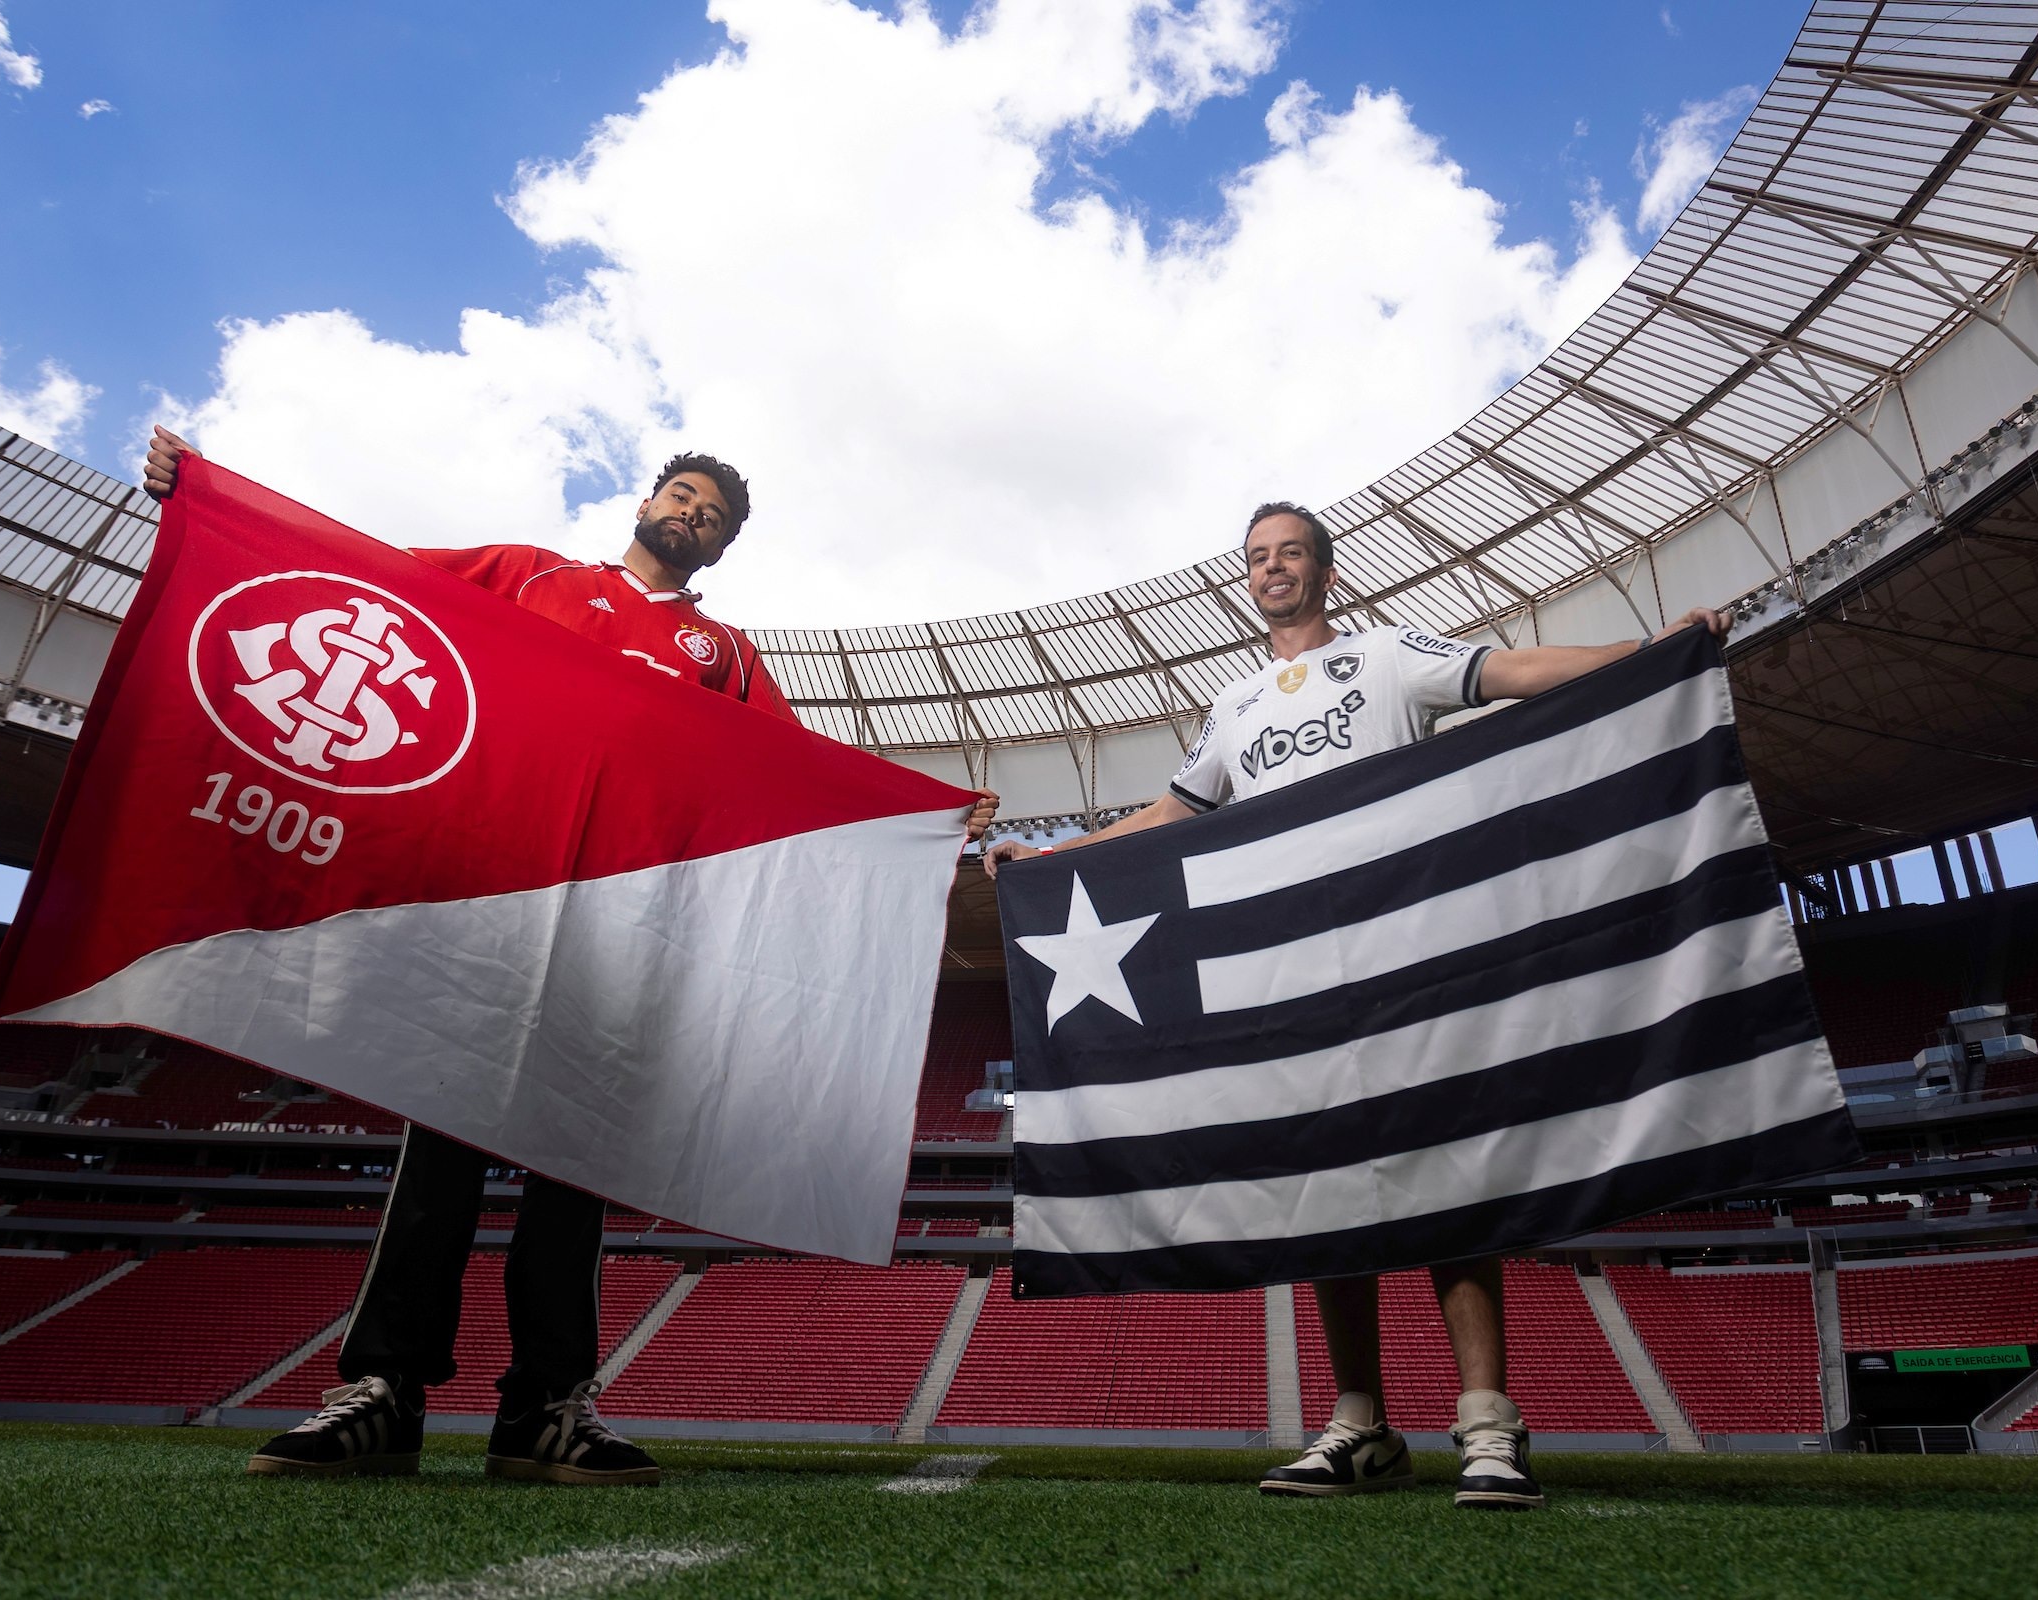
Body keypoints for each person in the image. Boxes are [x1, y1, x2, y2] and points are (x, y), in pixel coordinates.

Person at [140, 426, 998, 1483]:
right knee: (438, 1155)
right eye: (683, 495)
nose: (693, 515)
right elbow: (370, 578)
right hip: (489, 906)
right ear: (645, 500)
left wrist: (921, 813)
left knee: (573, 1171)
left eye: (714, 517)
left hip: (624, 928)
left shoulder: (723, 655)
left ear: (722, 550)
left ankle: (546, 1408)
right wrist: (219, 502)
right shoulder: (527, 575)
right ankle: (379, 1393)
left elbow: (794, 774)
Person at [985, 501, 1725, 1509]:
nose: (1272, 568)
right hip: (1293, 981)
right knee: (1323, 1183)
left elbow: (1505, 672)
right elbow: (1169, 815)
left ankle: (1487, 1423)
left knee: (1448, 1180)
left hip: (1411, 960)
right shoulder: (1236, 705)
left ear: (1325, 572)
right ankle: (1360, 1424)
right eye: (1257, 558)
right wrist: (1057, 856)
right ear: (1247, 582)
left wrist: (1650, 650)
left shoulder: (1384, 657)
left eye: (1290, 553)